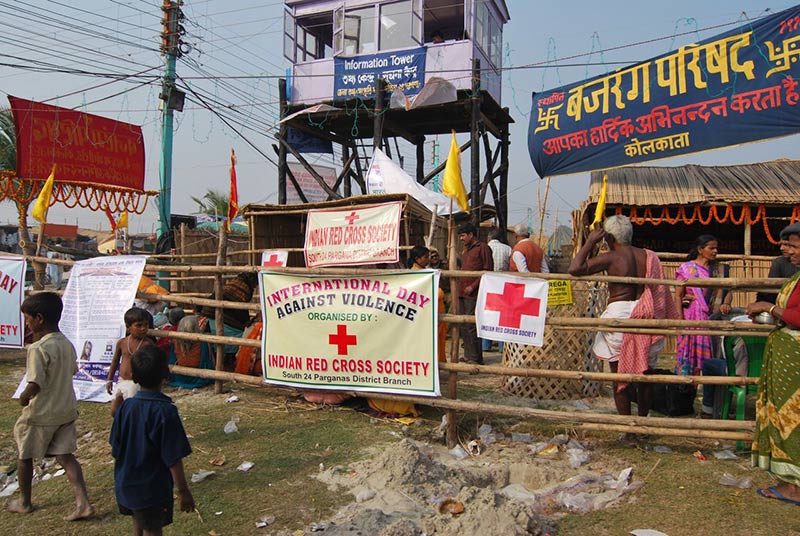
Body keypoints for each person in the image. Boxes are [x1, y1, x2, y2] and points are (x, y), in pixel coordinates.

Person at [568, 215, 677, 419]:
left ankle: (627, 426)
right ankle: (641, 422)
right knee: (645, 375)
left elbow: (575, 268)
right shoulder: (649, 256)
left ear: (609, 238)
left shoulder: (612, 257)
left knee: (620, 377)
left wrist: (590, 242)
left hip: (619, 316)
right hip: (647, 315)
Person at [6, 292, 94, 520]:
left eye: (28, 319)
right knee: (66, 456)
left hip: (41, 414)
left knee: (25, 456)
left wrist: (24, 397)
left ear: (39, 318)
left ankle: (25, 502)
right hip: (65, 410)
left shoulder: (38, 348)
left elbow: (35, 383)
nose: (27, 323)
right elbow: (71, 371)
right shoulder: (66, 343)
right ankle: (83, 503)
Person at [110, 345, 196, 535]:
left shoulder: (126, 408)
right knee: (152, 528)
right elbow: (173, 458)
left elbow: (115, 447)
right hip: (152, 489)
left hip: (126, 483)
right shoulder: (165, 412)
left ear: (133, 377)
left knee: (139, 521)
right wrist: (183, 491)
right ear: (165, 374)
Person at [745, 224, 800, 507]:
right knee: (784, 416)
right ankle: (789, 481)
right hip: (788, 357)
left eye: (794, 246)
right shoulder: (797, 276)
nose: (788, 252)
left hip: (795, 360)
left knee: (794, 418)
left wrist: (768, 308)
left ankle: (796, 487)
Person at [674, 234, 733, 376]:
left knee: (711, 351)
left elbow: (727, 291)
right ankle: (687, 385)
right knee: (689, 352)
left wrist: (726, 303)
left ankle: (709, 384)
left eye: (716, 248)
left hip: (712, 317)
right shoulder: (687, 268)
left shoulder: (719, 270)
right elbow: (678, 295)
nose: (715, 251)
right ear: (700, 250)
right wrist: (680, 320)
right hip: (691, 317)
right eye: (711, 248)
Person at [107, 307, 155, 416]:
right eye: (139, 325)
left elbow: (153, 365)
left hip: (137, 383)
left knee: (133, 411)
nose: (143, 328)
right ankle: (122, 425)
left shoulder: (147, 344)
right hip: (122, 380)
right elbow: (115, 361)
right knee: (115, 411)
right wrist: (109, 380)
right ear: (128, 328)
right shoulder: (122, 343)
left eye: (146, 325)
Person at [457, 223, 493, 364]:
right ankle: (468, 355)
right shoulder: (466, 250)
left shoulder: (482, 248)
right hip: (462, 292)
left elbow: (487, 270)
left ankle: (475, 358)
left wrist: (473, 286)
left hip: (474, 293)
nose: (461, 239)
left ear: (471, 235)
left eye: (463, 235)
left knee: (472, 325)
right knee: (463, 325)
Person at [756, 223, 800, 303]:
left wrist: (770, 308)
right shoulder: (780, 262)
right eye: (790, 246)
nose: (790, 251)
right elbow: (769, 292)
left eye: (794, 247)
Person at [484, 227, 511, 353]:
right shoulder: (508, 249)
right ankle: (502, 346)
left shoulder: (485, 248)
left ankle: (485, 345)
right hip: (504, 284)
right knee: (502, 316)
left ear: (489, 238)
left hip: (488, 284)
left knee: (488, 314)